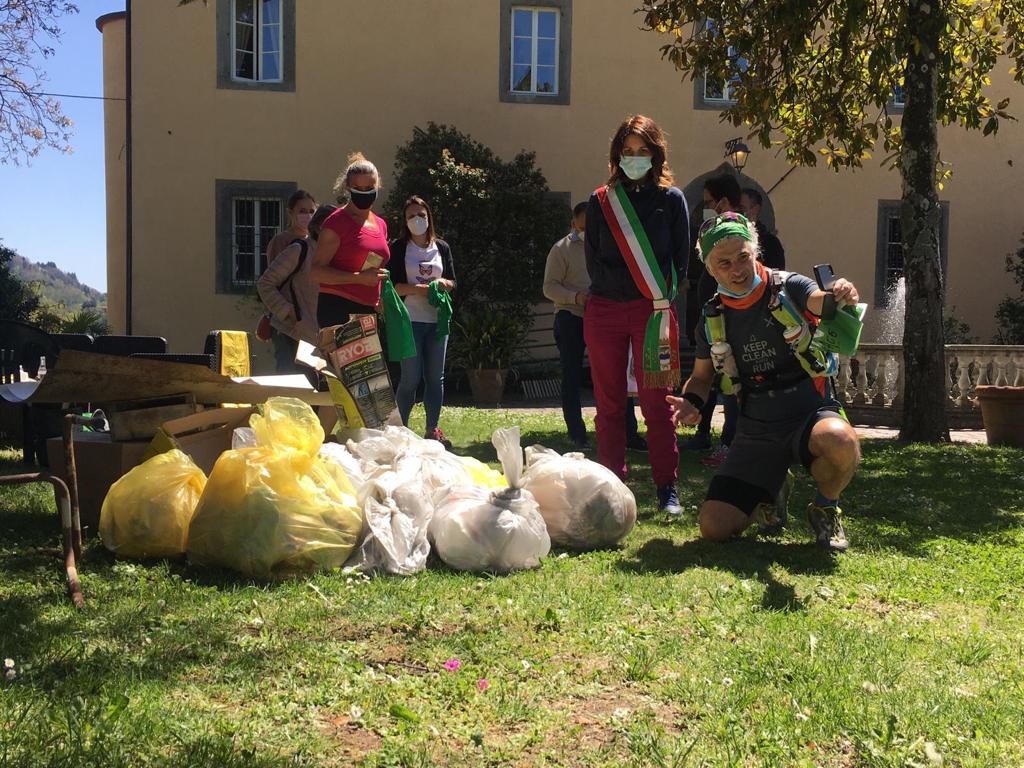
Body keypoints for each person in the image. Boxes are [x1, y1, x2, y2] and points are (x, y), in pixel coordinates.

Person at [667, 212, 861, 552]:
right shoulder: (711, 317)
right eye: (723, 263)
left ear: (755, 251)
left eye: (743, 256)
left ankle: (826, 508)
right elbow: (700, 378)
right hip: (757, 427)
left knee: (840, 441)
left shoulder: (788, 285)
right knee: (714, 527)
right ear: (710, 270)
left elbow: (820, 299)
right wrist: (692, 402)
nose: (737, 270)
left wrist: (839, 294)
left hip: (808, 410)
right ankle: (774, 487)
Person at [584, 114, 688, 515]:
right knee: (609, 403)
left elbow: (681, 261)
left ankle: (667, 488)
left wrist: (657, 298)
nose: (635, 158)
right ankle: (612, 487)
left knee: (656, 404)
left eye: (643, 151)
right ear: (616, 155)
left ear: (656, 154)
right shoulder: (600, 201)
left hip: (653, 313)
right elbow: (594, 259)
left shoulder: (672, 199)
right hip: (605, 310)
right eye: (627, 151)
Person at [543, 202, 647, 451]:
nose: (590, 230)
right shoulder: (561, 249)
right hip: (572, 317)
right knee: (572, 374)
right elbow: (549, 287)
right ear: (573, 224)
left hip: (606, 316)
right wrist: (576, 297)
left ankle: (628, 432)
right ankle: (577, 433)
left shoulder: (609, 246)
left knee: (618, 372)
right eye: (584, 225)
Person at [389, 195, 457, 447]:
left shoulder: (442, 247)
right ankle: (400, 430)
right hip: (410, 320)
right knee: (410, 378)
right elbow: (393, 286)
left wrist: (443, 284)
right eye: (411, 216)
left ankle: (432, 429)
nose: (417, 220)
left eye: (421, 215)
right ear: (405, 222)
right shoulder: (399, 248)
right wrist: (418, 289)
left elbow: (453, 281)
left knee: (435, 377)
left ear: (429, 217)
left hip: (437, 322)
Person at [688, 175, 741, 465]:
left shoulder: (737, 234)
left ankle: (731, 443)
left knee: (732, 385)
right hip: (712, 321)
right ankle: (708, 435)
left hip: (733, 322)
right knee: (716, 381)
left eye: (709, 202)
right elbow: (699, 378)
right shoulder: (712, 234)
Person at [312, 153, 390, 328]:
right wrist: (359, 278)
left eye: (369, 187)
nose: (364, 193)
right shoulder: (336, 222)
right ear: (347, 187)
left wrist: (379, 297)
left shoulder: (380, 224)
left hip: (368, 310)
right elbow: (316, 272)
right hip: (338, 309)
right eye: (358, 188)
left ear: (378, 186)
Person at [258, 203, 337, 372]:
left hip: (319, 340)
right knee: (289, 391)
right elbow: (265, 283)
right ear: (317, 227)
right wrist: (288, 312)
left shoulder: (337, 256)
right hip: (291, 334)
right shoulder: (299, 250)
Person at [265, 189, 317, 264]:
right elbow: (274, 273)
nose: (308, 215)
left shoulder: (316, 240)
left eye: (311, 211)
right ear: (290, 212)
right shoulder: (280, 240)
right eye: (302, 211)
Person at [740, 188, 785, 269]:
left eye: (742, 208)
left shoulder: (770, 243)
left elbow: (776, 274)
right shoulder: (734, 239)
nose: (739, 212)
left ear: (755, 209)